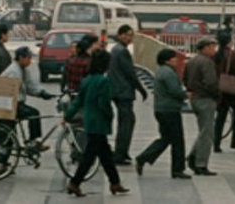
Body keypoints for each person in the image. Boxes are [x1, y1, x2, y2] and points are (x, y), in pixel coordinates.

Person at [65, 49, 130, 197]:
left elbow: (78, 101)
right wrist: (110, 115)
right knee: (90, 156)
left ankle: (115, 182)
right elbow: (104, 103)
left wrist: (67, 115)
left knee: (105, 154)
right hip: (99, 121)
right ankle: (75, 183)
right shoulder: (103, 81)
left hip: (89, 120)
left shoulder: (87, 80)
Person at [135, 49, 190, 179]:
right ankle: (177, 169)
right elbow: (175, 91)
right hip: (169, 110)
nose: (176, 60)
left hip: (161, 109)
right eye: (173, 58)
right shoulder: (168, 73)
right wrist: (186, 95)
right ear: (167, 60)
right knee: (177, 141)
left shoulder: (161, 71)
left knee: (166, 138)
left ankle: (144, 157)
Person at [1, 46, 55, 149]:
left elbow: (29, 85)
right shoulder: (13, 71)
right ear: (21, 57)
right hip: (10, 104)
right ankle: (32, 141)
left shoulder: (23, 69)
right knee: (33, 114)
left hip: (16, 103)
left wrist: (42, 93)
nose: (30, 61)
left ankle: (32, 141)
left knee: (31, 115)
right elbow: (12, 91)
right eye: (28, 58)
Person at [108, 25, 148, 165]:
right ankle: (120, 154)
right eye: (127, 35)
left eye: (131, 35)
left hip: (116, 90)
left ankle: (122, 151)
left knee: (126, 121)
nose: (130, 38)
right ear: (120, 35)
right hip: (123, 91)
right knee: (126, 122)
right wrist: (141, 88)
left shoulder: (115, 50)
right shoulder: (122, 52)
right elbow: (130, 73)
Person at [183, 36, 219, 176]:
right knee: (207, 133)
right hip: (206, 98)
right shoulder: (207, 62)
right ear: (205, 48)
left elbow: (185, 79)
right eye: (212, 47)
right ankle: (201, 163)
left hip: (195, 97)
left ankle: (193, 156)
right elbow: (211, 82)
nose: (214, 49)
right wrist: (217, 95)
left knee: (204, 130)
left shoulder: (192, 61)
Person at [213, 33, 235, 152]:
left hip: (220, 89)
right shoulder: (234, 54)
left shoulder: (216, 55)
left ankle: (216, 143)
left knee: (220, 118)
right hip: (232, 89)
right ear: (228, 42)